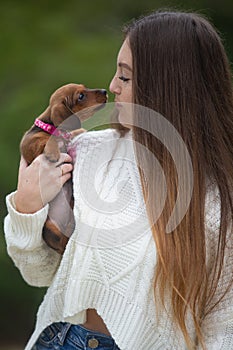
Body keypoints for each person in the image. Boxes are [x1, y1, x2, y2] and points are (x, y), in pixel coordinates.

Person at [4, 9, 233, 350]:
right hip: (54, 339)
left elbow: (222, 330)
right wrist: (26, 206)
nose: (111, 86)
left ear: (168, 86)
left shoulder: (217, 202)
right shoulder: (86, 151)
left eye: (125, 78)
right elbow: (37, 273)